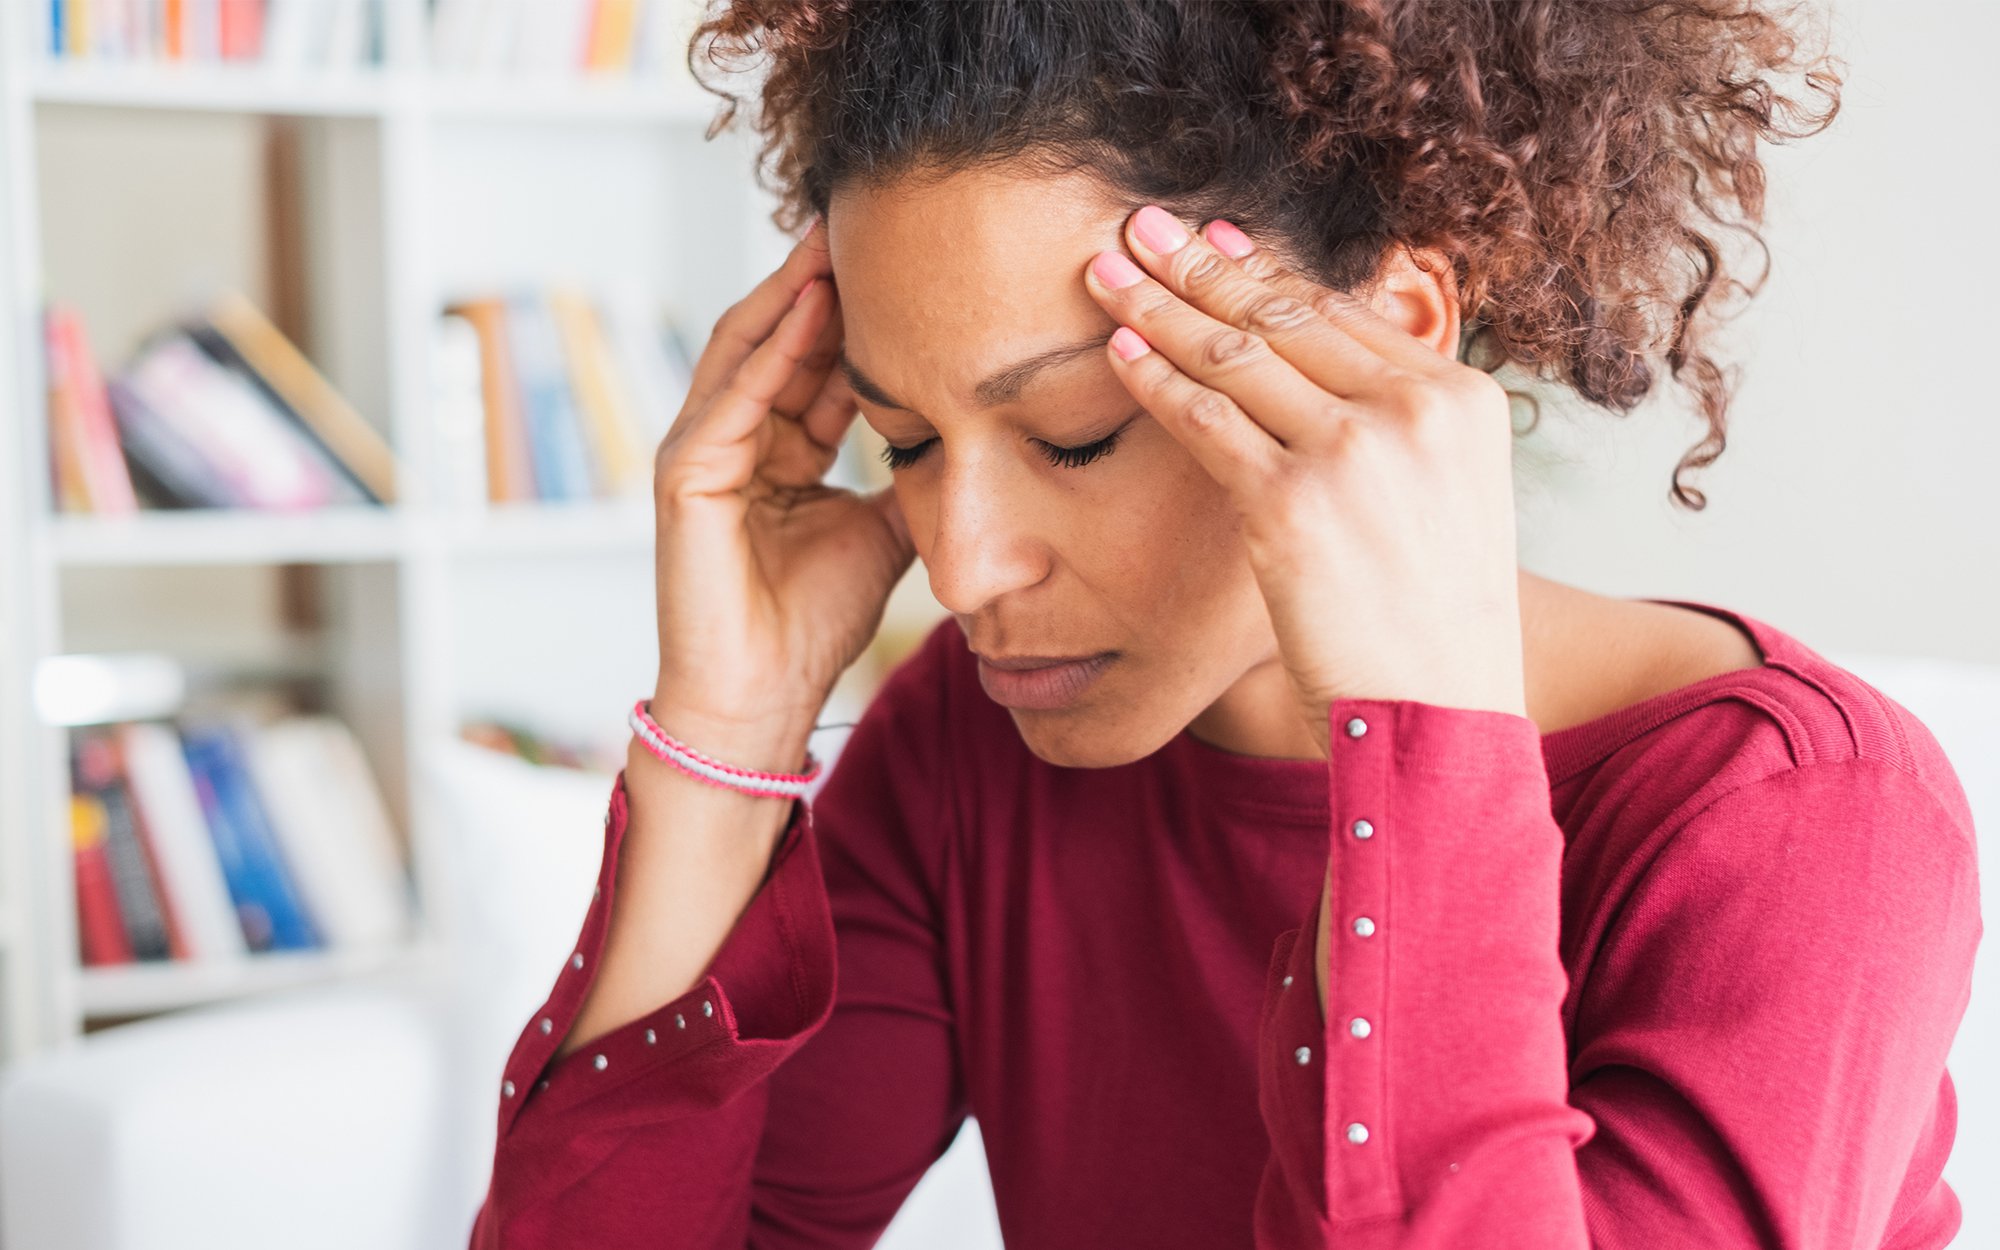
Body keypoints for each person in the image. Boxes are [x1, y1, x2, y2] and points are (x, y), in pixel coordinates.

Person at [469, 2, 1982, 1247]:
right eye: (904, 444)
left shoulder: (1792, 818)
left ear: (1385, 350)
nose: (964, 563)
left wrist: (1420, 754)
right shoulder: (977, 740)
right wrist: (721, 742)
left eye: (1070, 436)